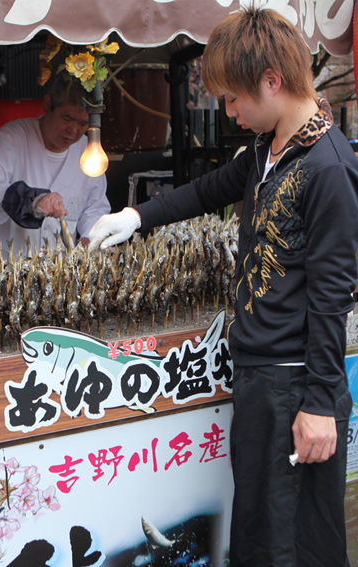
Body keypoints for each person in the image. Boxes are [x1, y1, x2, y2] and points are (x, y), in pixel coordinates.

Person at [86, 8, 358, 566]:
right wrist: (136, 217)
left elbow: (334, 294)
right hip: (259, 378)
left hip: (296, 387)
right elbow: (208, 190)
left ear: (272, 81)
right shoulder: (265, 150)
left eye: (234, 99)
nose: (230, 113)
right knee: (258, 528)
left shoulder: (329, 167)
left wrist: (322, 404)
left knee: (297, 536)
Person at [0, 72, 110, 262]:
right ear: (48, 105)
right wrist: (33, 200)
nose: (73, 130)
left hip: (60, 272)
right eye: (67, 119)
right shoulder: (11, 138)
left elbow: (95, 207)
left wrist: (89, 238)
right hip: (6, 266)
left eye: (83, 124)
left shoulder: (89, 153)